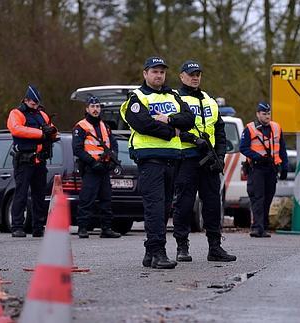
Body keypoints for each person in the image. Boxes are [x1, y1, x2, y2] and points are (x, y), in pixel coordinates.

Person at [120, 56, 194, 269]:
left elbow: (189, 119)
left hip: (172, 159)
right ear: (145, 74)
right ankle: (158, 251)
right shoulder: (136, 97)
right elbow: (143, 124)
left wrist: (169, 119)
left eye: (162, 72)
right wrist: (172, 130)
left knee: (164, 207)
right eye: (154, 71)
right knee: (155, 207)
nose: (159, 75)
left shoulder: (173, 95)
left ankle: (150, 253)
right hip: (150, 159)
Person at [171, 60, 236, 262]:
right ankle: (182, 247)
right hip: (187, 158)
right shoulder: (174, 98)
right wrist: (192, 139)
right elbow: (171, 129)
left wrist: (221, 156)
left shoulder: (209, 100)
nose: (195, 77)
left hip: (209, 160)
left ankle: (215, 247)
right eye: (191, 74)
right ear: (182, 76)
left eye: (198, 74)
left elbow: (220, 131)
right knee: (184, 204)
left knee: (212, 205)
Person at [7, 85, 58, 238]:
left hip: (39, 161)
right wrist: (42, 134)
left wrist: (52, 132)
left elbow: (53, 130)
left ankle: (38, 227)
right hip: (24, 160)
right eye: (33, 103)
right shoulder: (16, 113)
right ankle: (17, 226)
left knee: (39, 196)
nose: (35, 106)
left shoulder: (42, 114)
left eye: (37, 104)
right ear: (26, 100)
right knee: (21, 194)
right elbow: (16, 129)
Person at [73, 96, 121, 239]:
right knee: (86, 199)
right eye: (92, 107)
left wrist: (114, 159)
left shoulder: (105, 126)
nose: (95, 109)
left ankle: (106, 228)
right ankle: (82, 228)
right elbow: (77, 149)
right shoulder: (80, 126)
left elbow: (114, 144)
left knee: (106, 199)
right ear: (87, 109)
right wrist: (93, 163)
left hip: (104, 168)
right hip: (90, 169)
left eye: (98, 107)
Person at [239, 102, 288, 238]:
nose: (267, 116)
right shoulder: (250, 128)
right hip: (257, 169)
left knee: (268, 198)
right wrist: (258, 157)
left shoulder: (276, 128)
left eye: (268, 113)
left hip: (272, 169)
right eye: (264, 114)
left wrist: (285, 166)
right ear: (258, 114)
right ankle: (257, 227)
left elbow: (282, 148)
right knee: (257, 198)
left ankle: (263, 227)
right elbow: (243, 148)